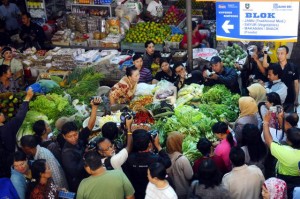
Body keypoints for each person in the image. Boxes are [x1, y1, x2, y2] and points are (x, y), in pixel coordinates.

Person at [61, 97, 100, 192]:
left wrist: (94, 107)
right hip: (80, 184)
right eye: (70, 136)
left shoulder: (79, 138)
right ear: (64, 136)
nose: (74, 138)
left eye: (75, 134)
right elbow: (75, 172)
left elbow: (90, 126)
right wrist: (85, 155)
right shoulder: (66, 154)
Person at [124, 129, 171, 199]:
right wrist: (158, 146)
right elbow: (168, 162)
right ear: (149, 144)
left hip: (135, 194)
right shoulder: (155, 159)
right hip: (151, 194)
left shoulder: (128, 159)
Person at [263, 112, 300, 198]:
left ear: (290, 142)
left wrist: (265, 122)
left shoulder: (285, 152)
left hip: (285, 178)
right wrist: (281, 119)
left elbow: (269, 141)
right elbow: (291, 132)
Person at [0, 88, 33, 178]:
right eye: (0, 114)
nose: (2, 114)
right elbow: (19, 116)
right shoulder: (7, 128)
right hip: (10, 162)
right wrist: (27, 97)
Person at [264, 45, 299, 112]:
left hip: (289, 99)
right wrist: (265, 53)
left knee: (288, 119)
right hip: (276, 100)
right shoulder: (275, 66)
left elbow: (296, 83)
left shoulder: (293, 67)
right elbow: (265, 65)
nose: (279, 55)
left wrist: (296, 98)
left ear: (287, 54)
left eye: (282, 53)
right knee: (276, 119)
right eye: (278, 53)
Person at [166, 132, 193, 199]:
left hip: (171, 192)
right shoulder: (182, 159)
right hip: (184, 193)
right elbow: (189, 176)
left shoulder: (165, 157)